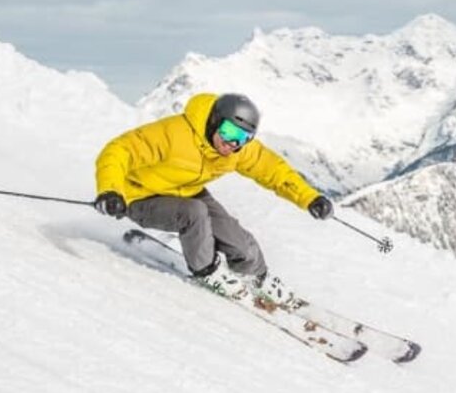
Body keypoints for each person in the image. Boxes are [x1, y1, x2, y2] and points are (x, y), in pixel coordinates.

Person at [94, 92, 334, 299]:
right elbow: (118, 151)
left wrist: (310, 198)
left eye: (243, 138)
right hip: (139, 197)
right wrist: (110, 191)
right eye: (229, 132)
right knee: (194, 213)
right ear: (215, 121)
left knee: (239, 242)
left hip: (189, 192)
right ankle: (208, 271)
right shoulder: (174, 134)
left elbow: (273, 171)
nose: (232, 143)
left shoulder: (234, 151)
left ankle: (256, 278)